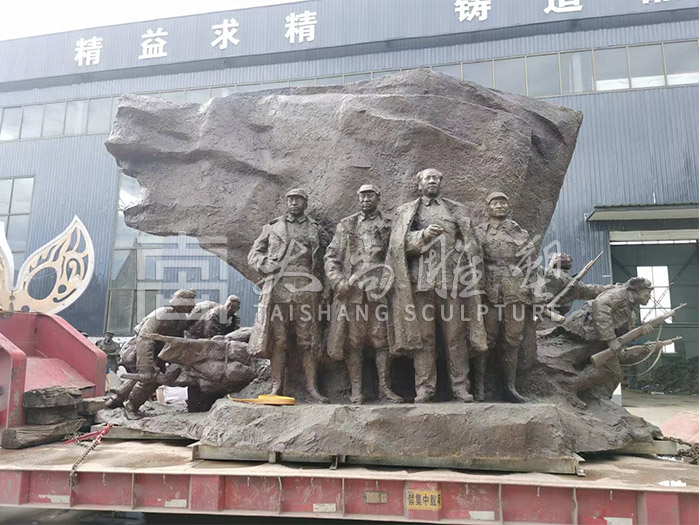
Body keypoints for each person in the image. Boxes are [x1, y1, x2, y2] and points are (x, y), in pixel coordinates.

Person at [386, 168, 487, 403]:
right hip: (421, 283)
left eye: (435, 178)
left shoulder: (456, 210)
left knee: (456, 336)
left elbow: (472, 243)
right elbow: (396, 246)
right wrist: (423, 235)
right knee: (424, 338)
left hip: (452, 282)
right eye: (427, 178)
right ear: (419, 184)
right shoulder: (407, 211)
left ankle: (460, 387)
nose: (432, 181)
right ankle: (424, 388)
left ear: (441, 183)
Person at [247, 188, 329, 403]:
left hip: (307, 288)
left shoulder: (316, 229)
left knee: (308, 340)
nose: (294, 203)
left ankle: (312, 388)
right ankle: (277, 386)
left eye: (298, 200)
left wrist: (325, 289)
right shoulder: (272, 227)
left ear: (305, 203)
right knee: (279, 340)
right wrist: (265, 264)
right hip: (278, 287)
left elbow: (327, 258)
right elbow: (254, 254)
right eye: (291, 199)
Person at [324, 184, 402, 404]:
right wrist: (338, 282)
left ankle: (384, 388)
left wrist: (389, 280)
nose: (366, 200)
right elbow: (331, 257)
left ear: (378, 198)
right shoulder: (347, 225)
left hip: (380, 291)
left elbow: (397, 255)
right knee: (354, 342)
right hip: (354, 292)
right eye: (362, 196)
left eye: (370, 196)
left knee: (382, 340)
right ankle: (356, 390)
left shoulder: (389, 224)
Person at [474, 191, 537, 403]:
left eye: (503, 202)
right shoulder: (480, 232)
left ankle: (510, 387)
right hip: (489, 290)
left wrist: (537, 292)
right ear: (488, 208)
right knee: (487, 338)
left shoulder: (519, 232)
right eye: (495, 203)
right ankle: (479, 386)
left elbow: (531, 264)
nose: (500, 206)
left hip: (515, 290)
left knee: (513, 339)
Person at [121, 289, 197, 417]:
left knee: (147, 379)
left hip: (156, 355)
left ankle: (117, 398)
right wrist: (146, 368)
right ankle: (131, 408)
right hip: (138, 351)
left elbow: (175, 343)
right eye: (191, 302)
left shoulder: (180, 319)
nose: (194, 305)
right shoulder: (162, 314)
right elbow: (144, 339)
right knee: (149, 381)